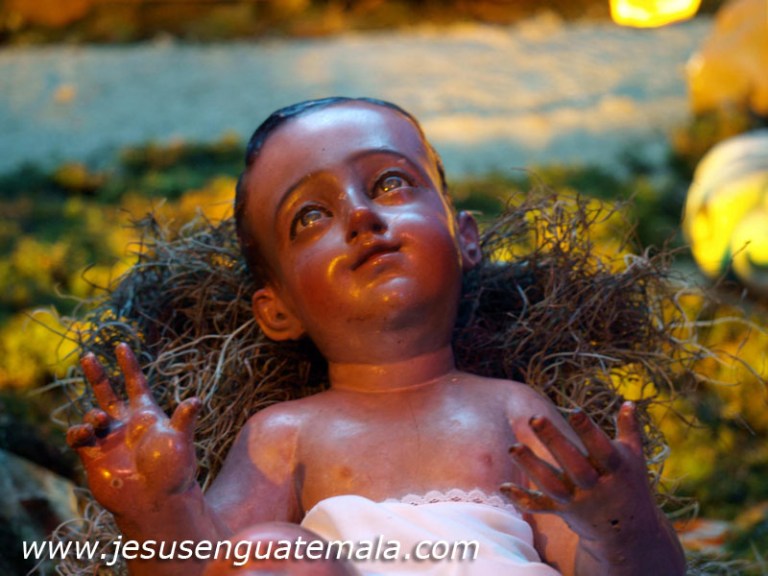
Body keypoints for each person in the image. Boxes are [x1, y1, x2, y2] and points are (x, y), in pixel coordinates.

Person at [66, 97, 687, 576]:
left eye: (390, 183)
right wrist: (158, 509)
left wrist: (619, 524)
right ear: (277, 309)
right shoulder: (282, 436)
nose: (361, 216)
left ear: (465, 238)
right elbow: (210, 568)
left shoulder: (512, 411)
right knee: (267, 552)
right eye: (311, 217)